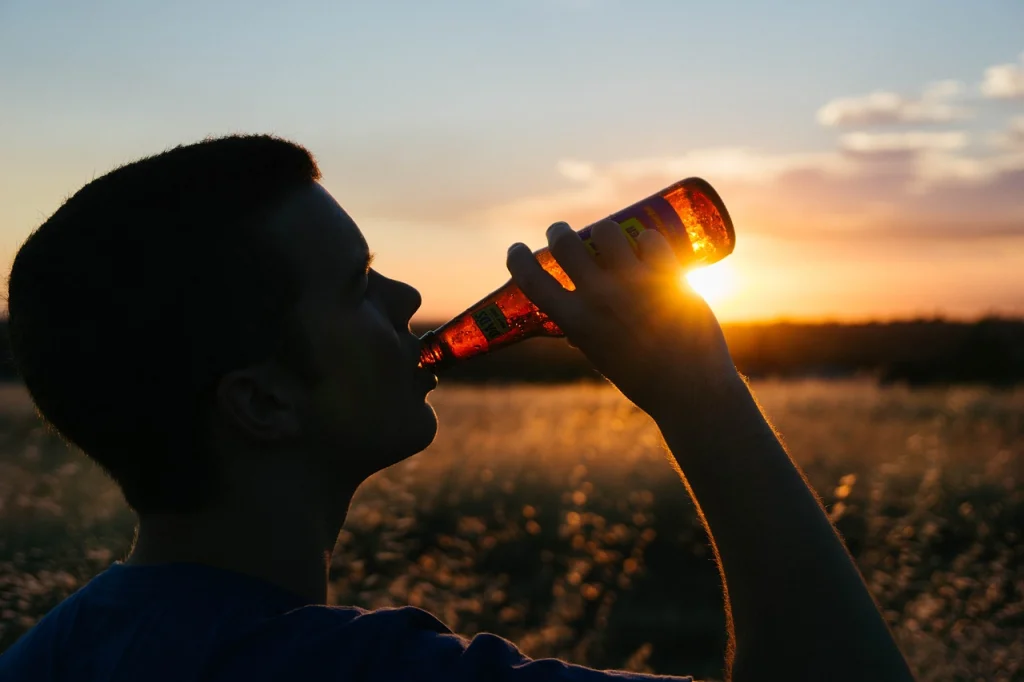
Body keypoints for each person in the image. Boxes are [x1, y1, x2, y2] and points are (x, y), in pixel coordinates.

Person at [0, 135, 914, 682]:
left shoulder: (54, 653)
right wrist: (702, 398)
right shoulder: (356, 673)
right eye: (357, 285)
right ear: (263, 402)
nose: (406, 295)